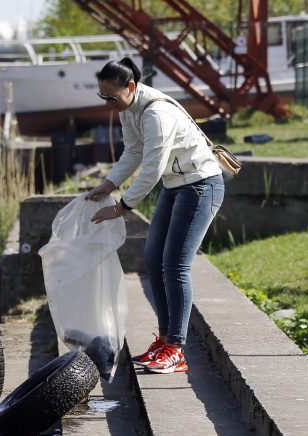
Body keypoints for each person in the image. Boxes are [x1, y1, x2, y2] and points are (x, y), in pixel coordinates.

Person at [86, 57, 224, 375]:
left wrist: (122, 206)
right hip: (176, 186)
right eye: (102, 96)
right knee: (153, 259)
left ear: (131, 87)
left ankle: (175, 349)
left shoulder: (156, 114)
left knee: (175, 264)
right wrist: (108, 184)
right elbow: (133, 152)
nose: (108, 103)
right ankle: (164, 342)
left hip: (201, 186)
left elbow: (152, 167)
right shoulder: (130, 109)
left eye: (111, 97)